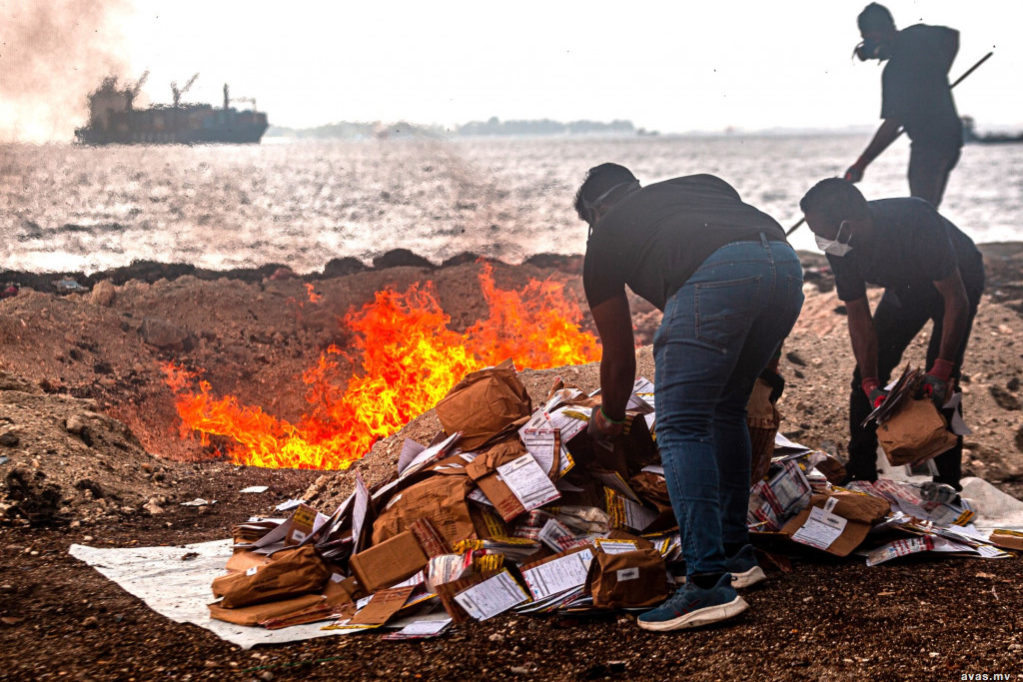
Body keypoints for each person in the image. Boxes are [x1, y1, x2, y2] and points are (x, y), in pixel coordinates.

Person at [577, 164, 803, 631]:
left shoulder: (605, 236)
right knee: (725, 409)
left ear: (596, 212)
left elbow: (619, 358)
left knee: (681, 426)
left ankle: (706, 583)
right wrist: (767, 367)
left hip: (720, 277)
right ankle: (736, 556)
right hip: (784, 267)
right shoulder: (704, 186)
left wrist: (610, 417)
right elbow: (747, 262)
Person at [800, 178, 984, 489]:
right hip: (907, 288)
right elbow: (858, 314)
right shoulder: (840, 246)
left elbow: (956, 298)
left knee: (942, 384)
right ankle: (860, 471)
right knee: (864, 375)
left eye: (820, 232)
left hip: (959, 281)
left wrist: (942, 368)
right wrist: (870, 381)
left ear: (848, 226)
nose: (819, 240)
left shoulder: (916, 219)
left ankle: (947, 482)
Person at [845, 3, 962, 207]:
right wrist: (939, 73)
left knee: (922, 210)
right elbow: (953, 36)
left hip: (929, 146)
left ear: (879, 35)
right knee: (928, 208)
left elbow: (892, 124)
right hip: (951, 139)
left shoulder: (895, 71)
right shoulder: (917, 36)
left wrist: (861, 164)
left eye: (868, 39)